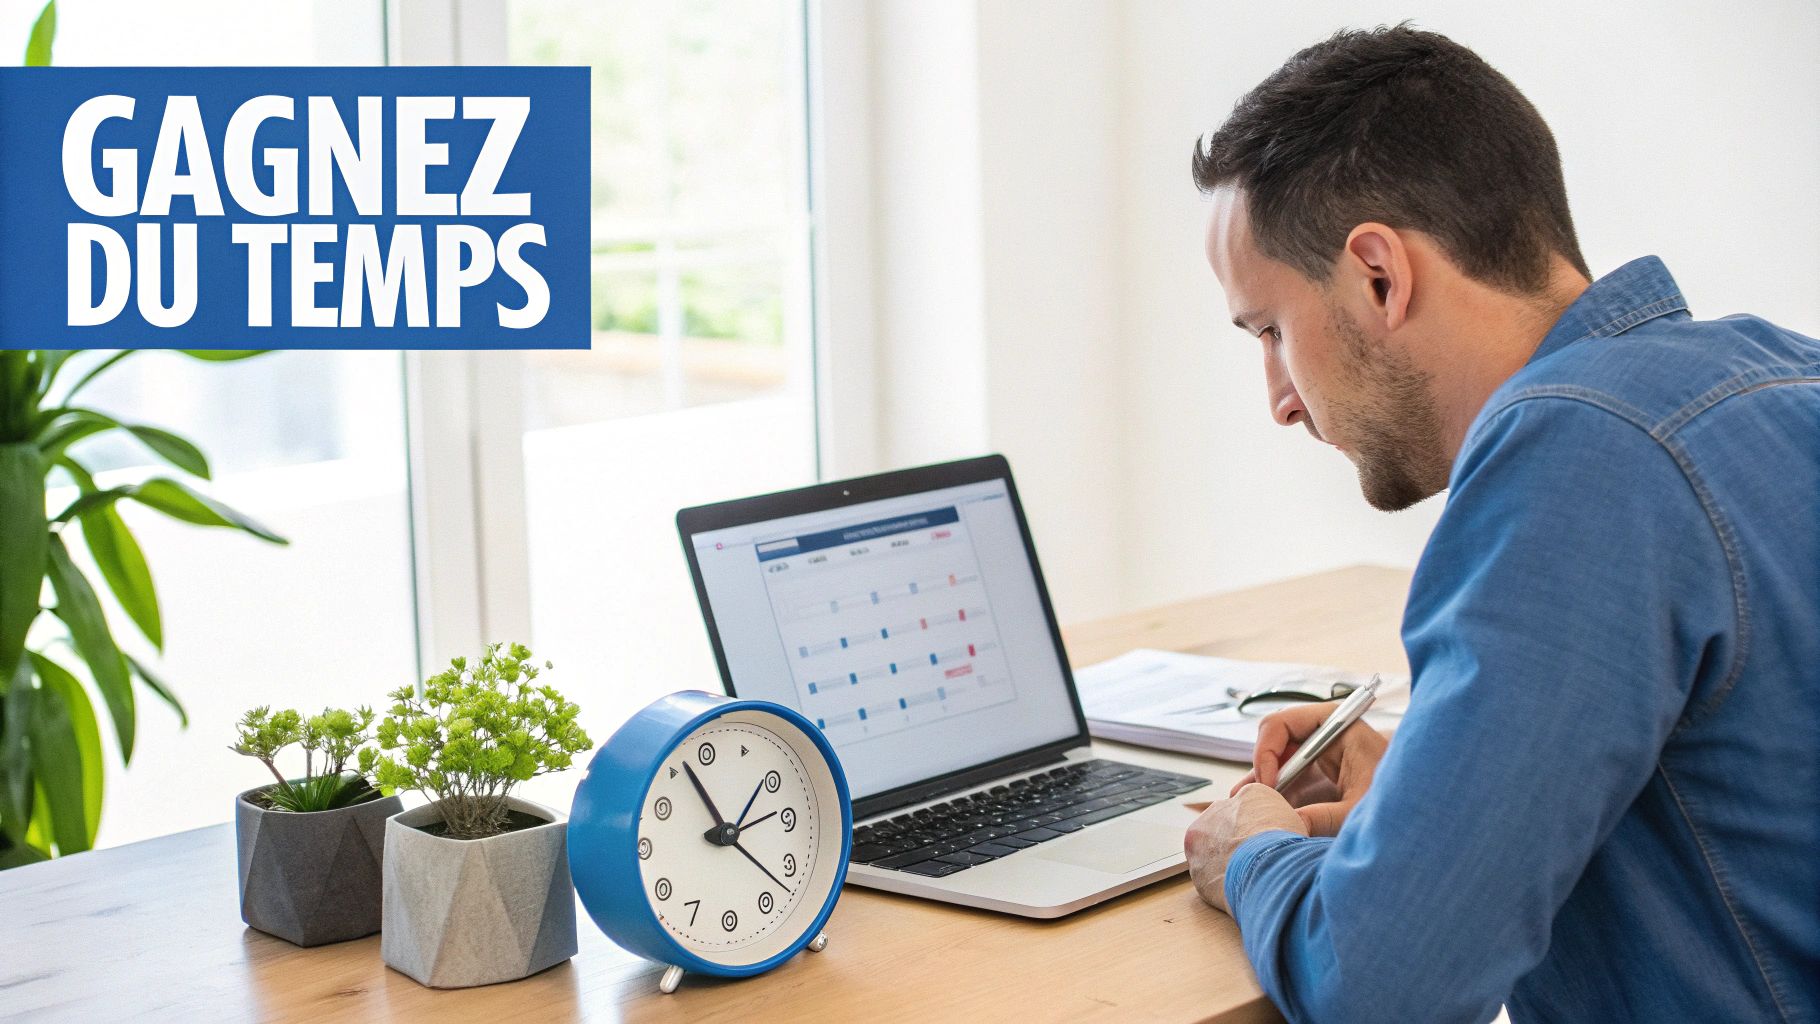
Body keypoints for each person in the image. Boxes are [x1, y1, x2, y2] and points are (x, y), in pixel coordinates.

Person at [1180, 24, 1820, 1024]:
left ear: (1378, 276)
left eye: (1269, 330)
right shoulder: (1779, 378)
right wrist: (1435, 785)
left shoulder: (1575, 458)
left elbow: (1382, 989)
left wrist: (1251, 849)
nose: (1277, 398)